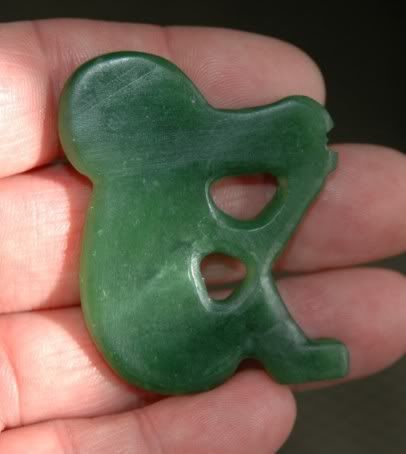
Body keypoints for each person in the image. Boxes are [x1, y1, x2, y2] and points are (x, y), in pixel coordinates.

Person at [0, 19, 405, 454]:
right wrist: (298, 138)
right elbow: (236, 151)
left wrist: (298, 165)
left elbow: (234, 155)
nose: (195, 123)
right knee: (250, 283)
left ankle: (282, 348)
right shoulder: (152, 181)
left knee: (251, 275)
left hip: (156, 335)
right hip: (164, 348)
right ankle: (280, 348)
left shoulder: (146, 178)